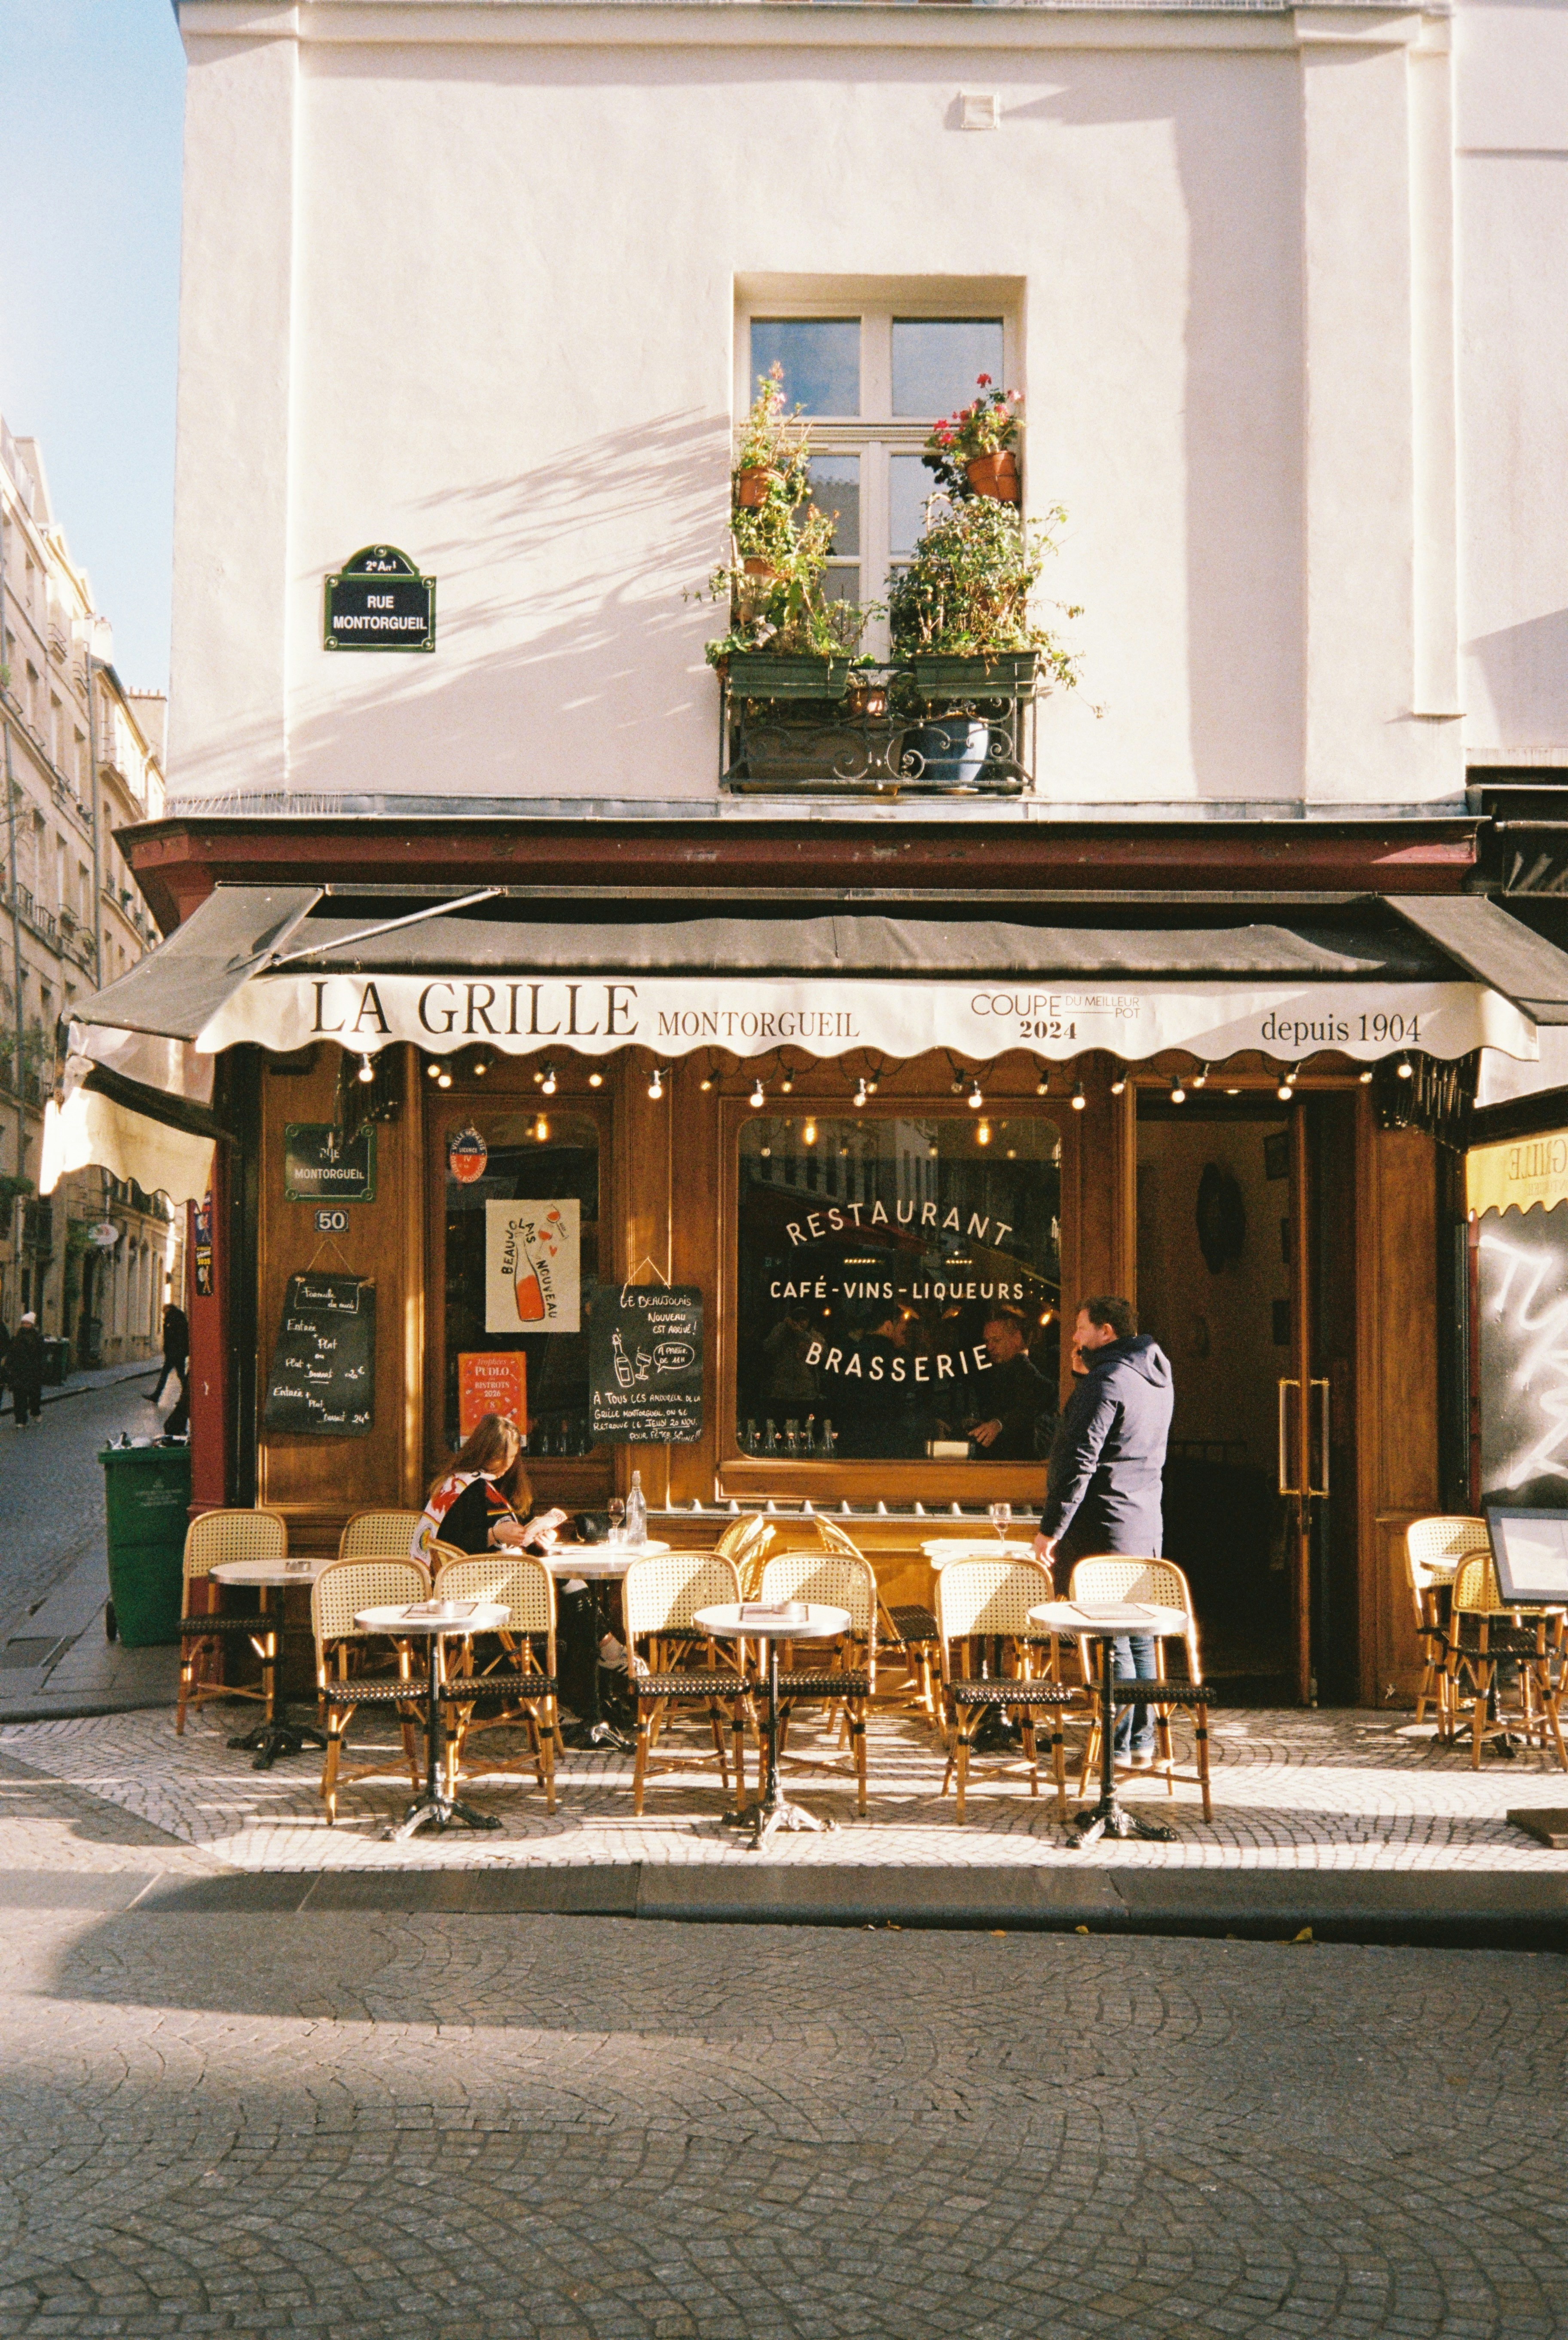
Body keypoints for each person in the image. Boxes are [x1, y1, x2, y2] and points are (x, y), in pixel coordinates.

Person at [1034, 1294, 1174, 1767]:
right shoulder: (1152, 1373)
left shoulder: (1107, 1380)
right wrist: (1085, 1380)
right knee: (1137, 1637)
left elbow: (1080, 1460)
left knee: (1112, 1641)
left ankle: (1112, 1752)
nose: (1073, 1337)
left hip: (1103, 1528)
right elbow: (1125, 1439)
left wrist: (1051, 1528)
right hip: (1142, 1522)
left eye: (1081, 1328)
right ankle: (1140, 1742)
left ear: (1106, 1332)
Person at [413, 1413, 566, 1564]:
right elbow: (444, 1545)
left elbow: (525, 1539)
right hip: (469, 1577)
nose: (507, 1464)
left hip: (517, 1570)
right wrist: (493, 1535)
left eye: (512, 1457)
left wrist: (539, 1540)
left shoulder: (512, 1483)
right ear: (482, 1452)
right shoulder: (457, 1487)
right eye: (499, 1457)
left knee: (575, 1585)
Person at [969, 1308, 1050, 1461]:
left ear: (1017, 1339)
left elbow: (1037, 1404)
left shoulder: (1031, 1367)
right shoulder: (993, 1370)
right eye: (987, 1341)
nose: (989, 1347)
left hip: (1025, 1464)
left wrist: (999, 1424)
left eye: (997, 1340)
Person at [8, 1312, 43, 1430]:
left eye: (28, 1323)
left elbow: (41, 1354)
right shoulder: (17, 1337)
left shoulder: (37, 1337)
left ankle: (35, 1411)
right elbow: (12, 1354)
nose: (25, 1326)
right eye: (23, 1323)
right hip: (19, 1372)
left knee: (34, 1395)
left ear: (32, 1324)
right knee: (19, 1397)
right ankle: (20, 1419)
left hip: (33, 1371)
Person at [151, 1303, 189, 1406]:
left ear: (168, 1309)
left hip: (175, 1352)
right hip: (176, 1352)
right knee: (180, 1375)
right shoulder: (176, 1318)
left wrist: (172, 1349)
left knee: (170, 1374)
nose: (164, 1313)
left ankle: (157, 1395)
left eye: (164, 1311)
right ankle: (187, 1397)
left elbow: (175, 1336)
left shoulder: (174, 1319)